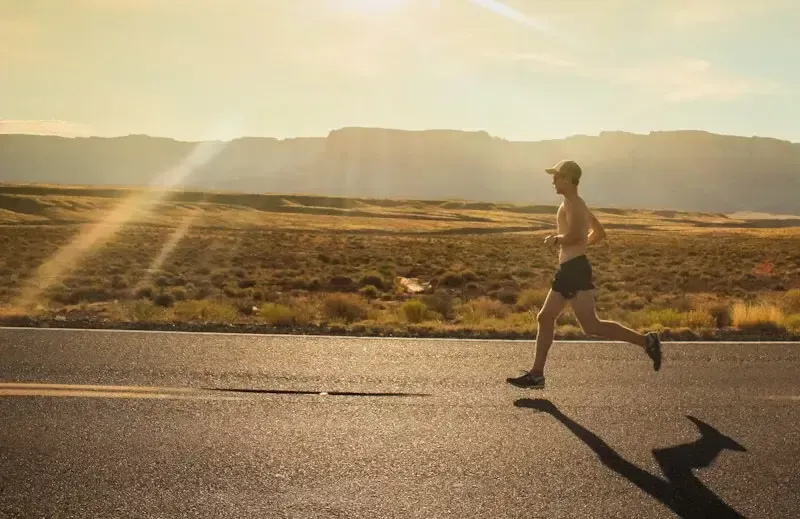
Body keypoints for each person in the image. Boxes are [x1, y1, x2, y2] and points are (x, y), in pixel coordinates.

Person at [507, 159, 662, 389]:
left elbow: (576, 236)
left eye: (557, 176)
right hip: (569, 268)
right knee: (545, 317)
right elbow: (598, 232)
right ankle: (537, 374)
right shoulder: (575, 204)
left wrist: (556, 240)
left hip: (575, 270)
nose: (553, 181)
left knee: (591, 326)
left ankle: (647, 341)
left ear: (569, 179)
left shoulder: (574, 204)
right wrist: (580, 246)